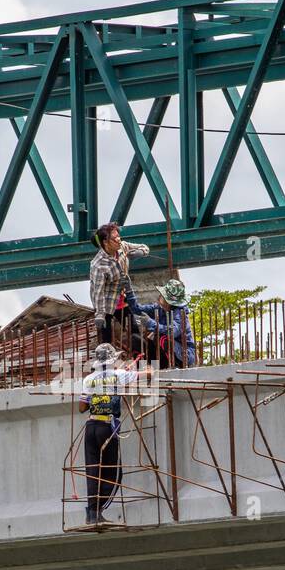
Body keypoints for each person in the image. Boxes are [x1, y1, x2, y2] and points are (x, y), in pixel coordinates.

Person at [77, 343, 152, 525]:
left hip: (91, 427)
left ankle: (92, 514)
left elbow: (81, 407)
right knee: (113, 474)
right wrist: (141, 369)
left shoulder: (89, 379)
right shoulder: (119, 375)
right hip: (107, 428)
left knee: (93, 472)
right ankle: (98, 509)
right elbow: (149, 375)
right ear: (112, 361)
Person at [89, 222, 149, 349]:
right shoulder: (98, 265)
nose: (119, 240)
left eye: (119, 236)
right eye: (115, 238)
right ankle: (107, 366)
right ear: (105, 242)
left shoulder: (123, 247)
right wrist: (99, 314)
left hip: (122, 300)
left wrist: (140, 252)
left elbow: (145, 247)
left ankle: (140, 362)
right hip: (106, 304)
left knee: (135, 334)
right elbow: (98, 292)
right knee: (106, 342)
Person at [121, 277, 197, 369]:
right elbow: (137, 309)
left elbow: (172, 332)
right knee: (135, 339)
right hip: (163, 354)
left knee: (161, 337)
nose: (160, 296)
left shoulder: (180, 314)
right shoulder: (159, 308)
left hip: (182, 355)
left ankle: (174, 366)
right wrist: (129, 290)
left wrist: (149, 322)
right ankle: (148, 367)